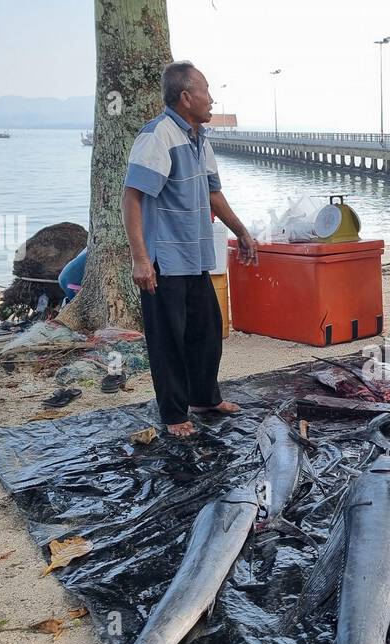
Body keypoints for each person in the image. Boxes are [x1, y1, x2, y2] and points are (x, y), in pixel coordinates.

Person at [122, 61, 257, 438]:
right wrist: (140, 258)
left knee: (207, 331)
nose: (212, 98)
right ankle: (173, 413)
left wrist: (241, 231)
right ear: (186, 97)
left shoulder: (199, 138)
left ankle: (203, 398)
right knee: (168, 341)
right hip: (164, 259)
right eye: (207, 91)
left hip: (195, 255)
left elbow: (213, 193)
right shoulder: (158, 136)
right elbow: (131, 198)